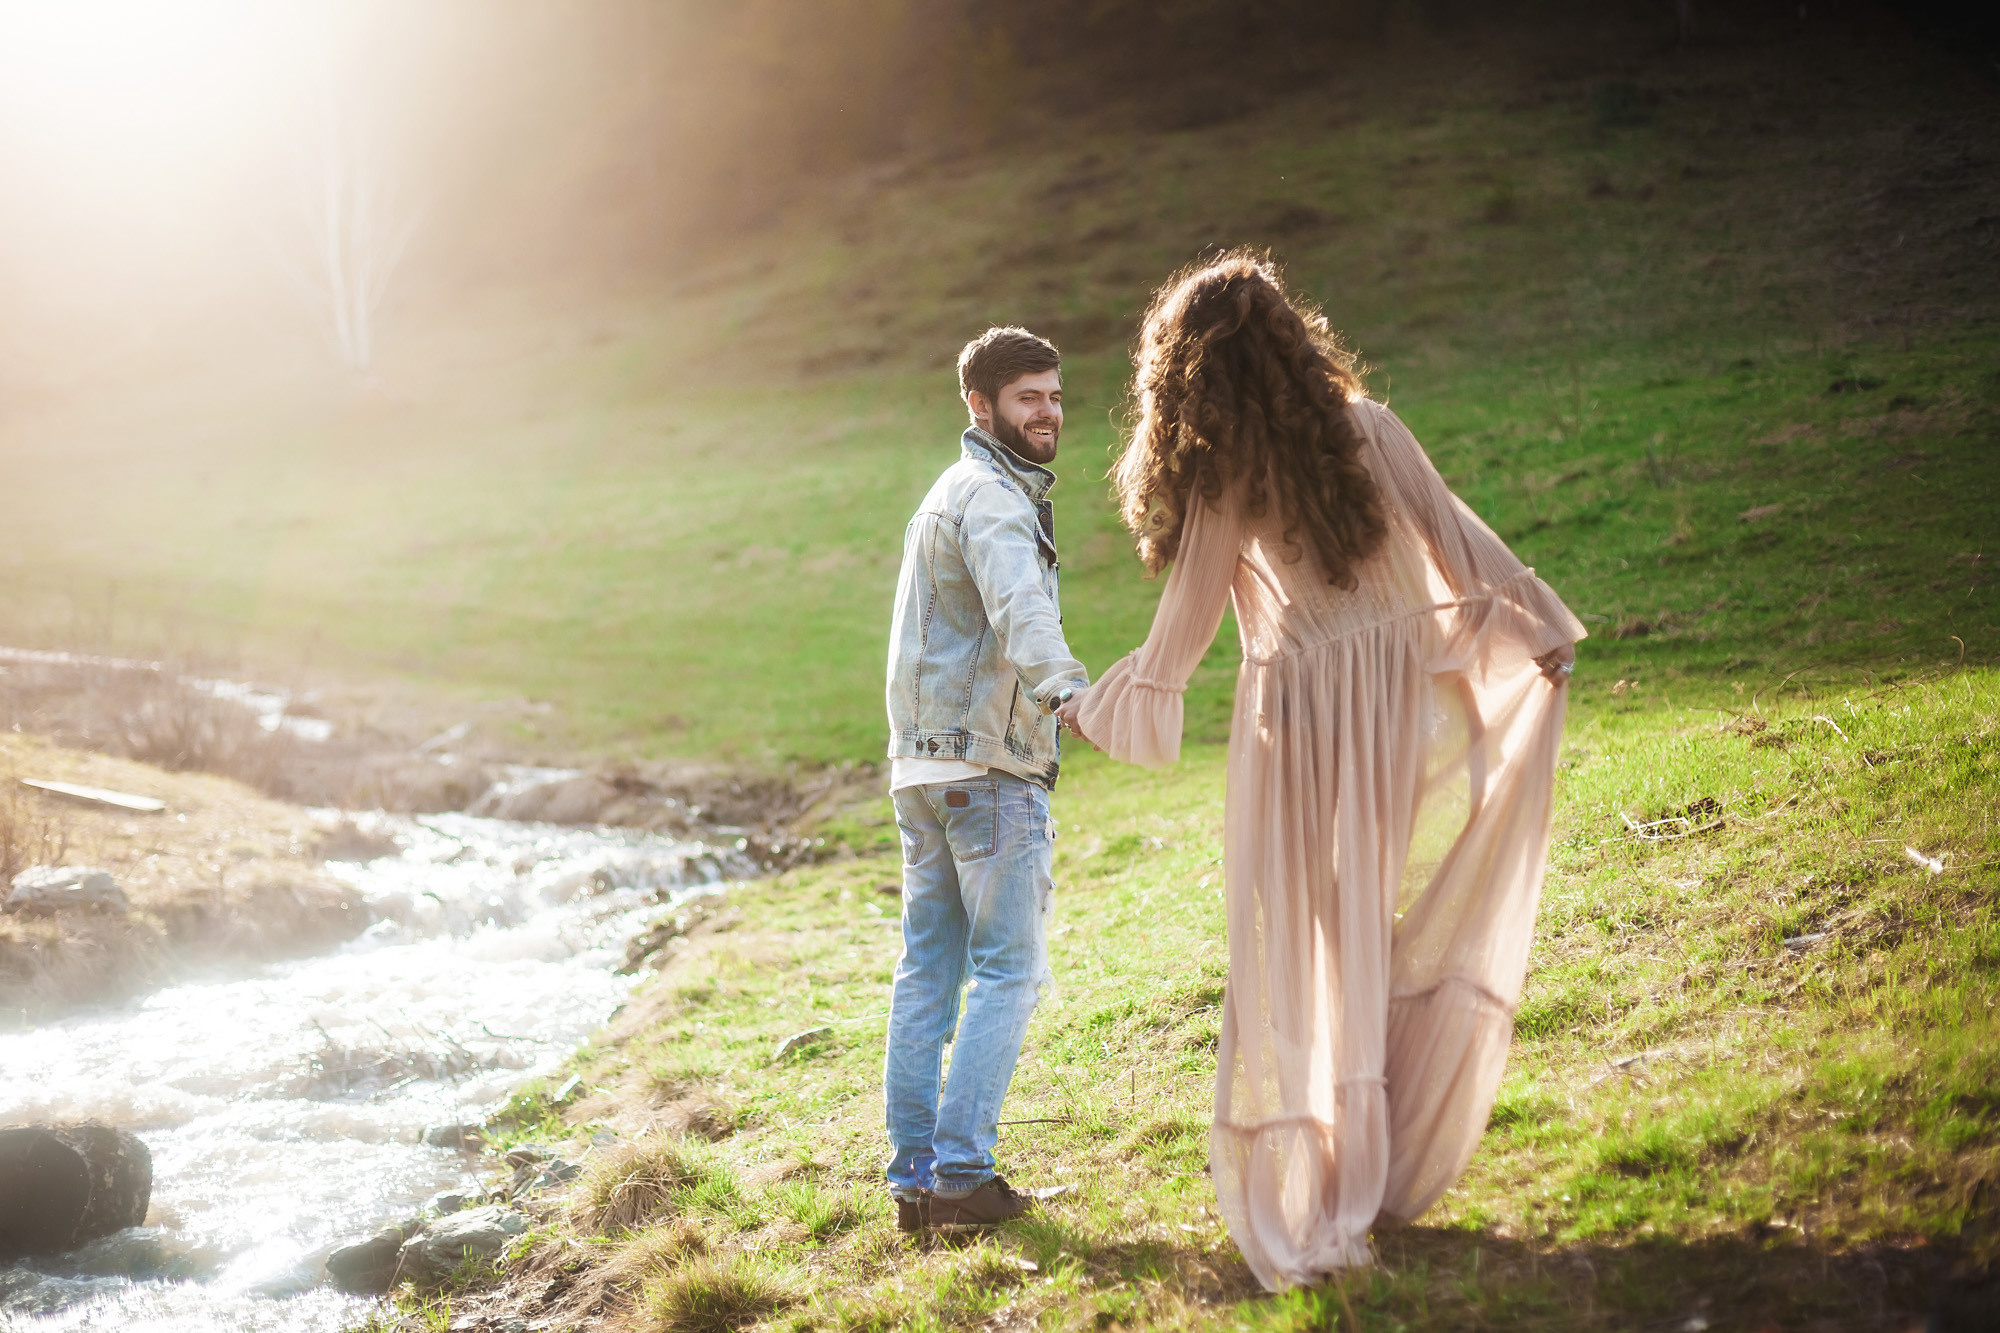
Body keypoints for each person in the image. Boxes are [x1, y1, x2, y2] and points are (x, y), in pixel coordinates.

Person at [1057, 252, 1584, 1290]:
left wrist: (1096, 707)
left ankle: (1339, 1169)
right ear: (1292, 340)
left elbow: (1185, 630)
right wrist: (1538, 621)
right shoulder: (1371, 427)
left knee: (1316, 930)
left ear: (1188, 373)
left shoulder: (1223, 475)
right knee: (1367, 916)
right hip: (1391, 698)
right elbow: (1456, 532)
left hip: (1302, 709)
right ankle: (1372, 1153)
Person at [881, 326, 1090, 1233]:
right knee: (1008, 970)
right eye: (1027, 398)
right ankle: (962, 1178)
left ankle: (916, 1184)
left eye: (1052, 394)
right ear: (980, 405)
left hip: (919, 769)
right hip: (985, 769)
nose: (1046, 412)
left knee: (928, 971)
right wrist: (1071, 695)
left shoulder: (944, 492)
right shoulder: (996, 499)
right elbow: (1020, 609)